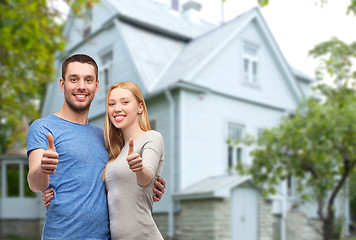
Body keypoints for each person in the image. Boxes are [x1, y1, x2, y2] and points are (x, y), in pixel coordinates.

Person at [26, 54, 165, 239]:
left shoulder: (105, 138)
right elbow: (35, 184)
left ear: (96, 86)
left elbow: (120, 177)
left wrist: (152, 185)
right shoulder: (43, 127)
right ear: (62, 84)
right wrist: (44, 169)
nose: (81, 86)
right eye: (74, 79)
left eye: (88, 80)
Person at [103, 81, 164, 239]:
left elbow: (147, 178)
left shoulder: (151, 137)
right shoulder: (116, 154)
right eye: (111, 104)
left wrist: (139, 169)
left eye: (125, 102)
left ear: (140, 107)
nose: (117, 108)